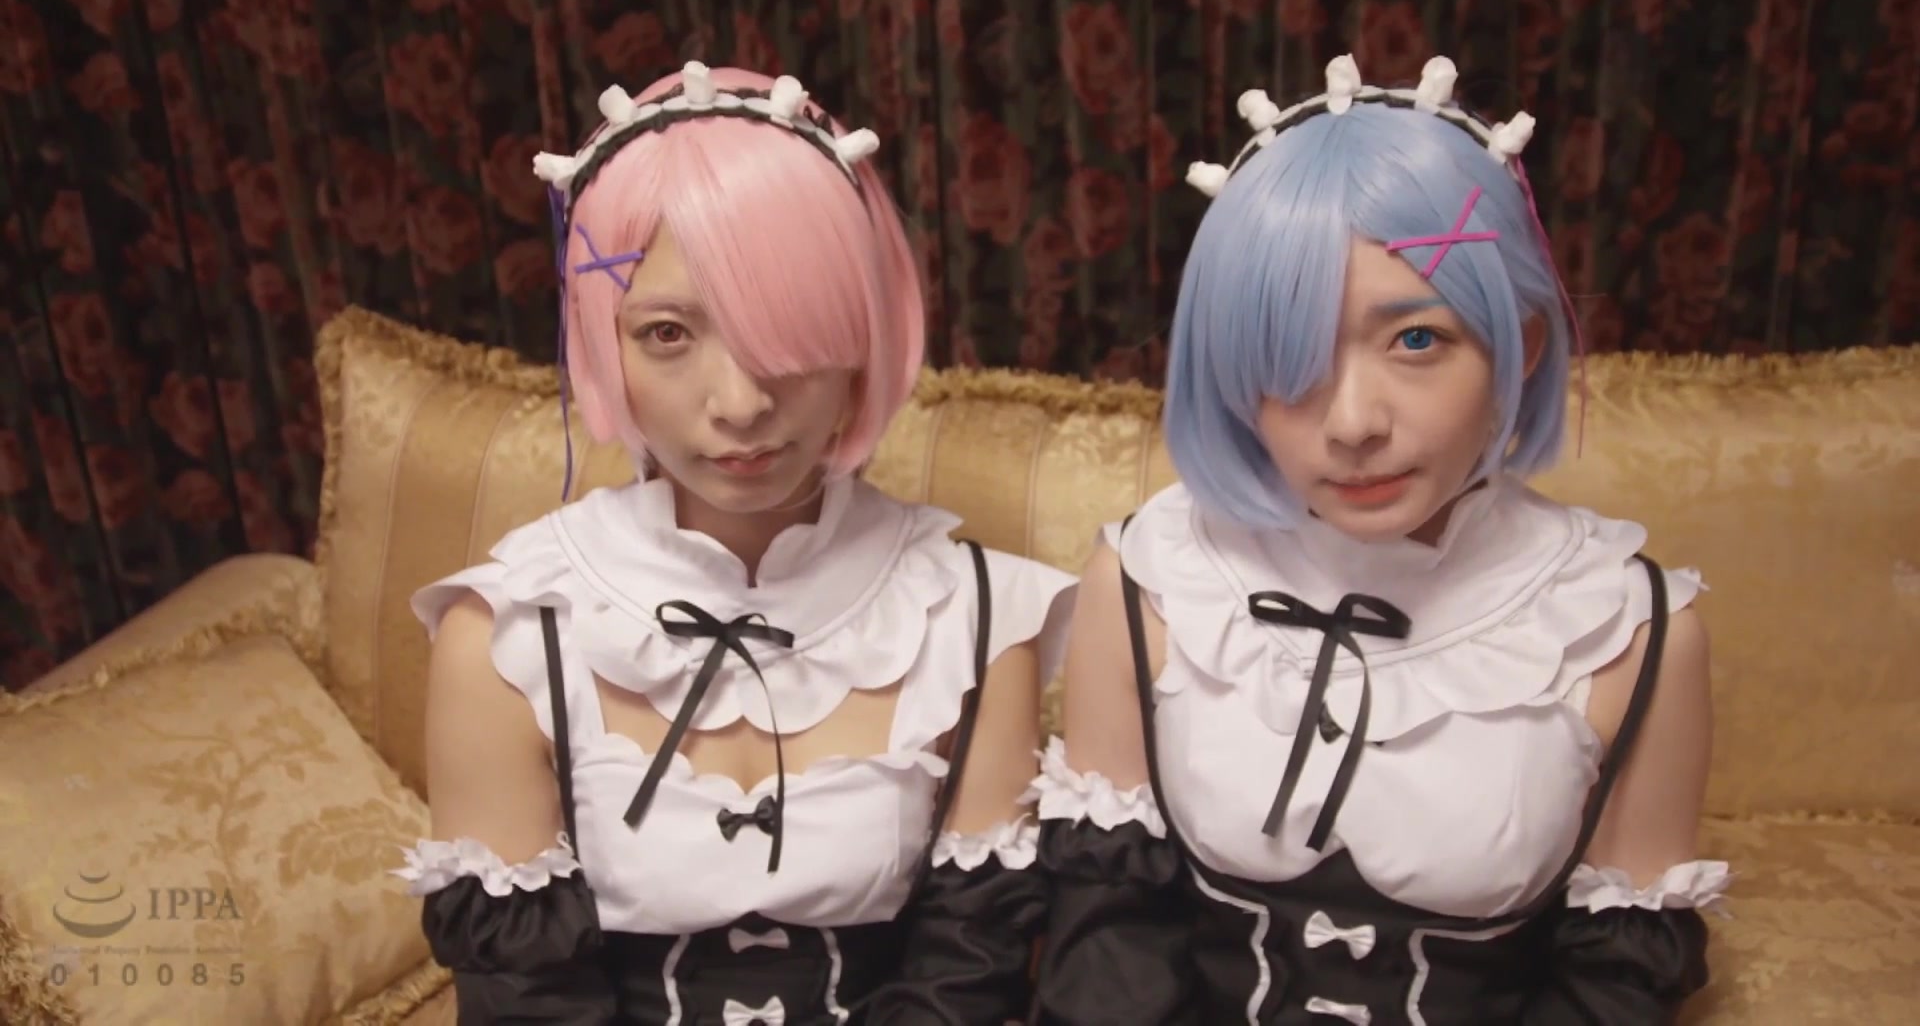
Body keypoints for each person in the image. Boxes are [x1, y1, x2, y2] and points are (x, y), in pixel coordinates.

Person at [1030, 54, 1730, 1024]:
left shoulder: (1630, 626)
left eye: (1417, 341)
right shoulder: (1148, 577)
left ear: (1519, 346)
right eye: (1290, 354)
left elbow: (1614, 987)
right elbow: (1108, 945)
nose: (1354, 422)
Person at [391, 62, 1073, 1024]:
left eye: (785, 330)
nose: (742, 403)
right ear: (603, 339)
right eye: (669, 333)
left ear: (861, 338)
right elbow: (526, 1003)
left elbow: (967, 982)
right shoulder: (508, 632)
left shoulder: (976, 618)